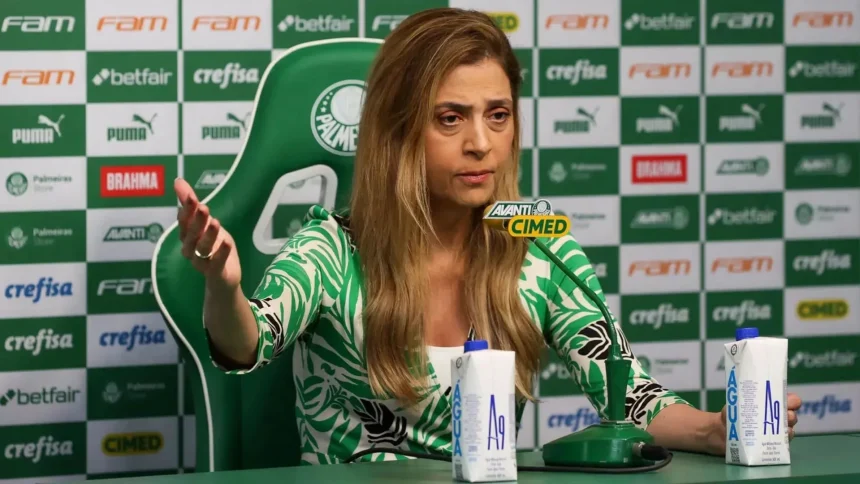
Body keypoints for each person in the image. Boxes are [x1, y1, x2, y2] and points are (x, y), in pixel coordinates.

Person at [172, 8, 801, 466]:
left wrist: (714, 429)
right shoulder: (332, 248)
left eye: (497, 115)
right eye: (451, 118)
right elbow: (249, 342)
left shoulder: (540, 245)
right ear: (398, 131)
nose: (481, 143)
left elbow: (628, 395)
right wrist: (223, 288)